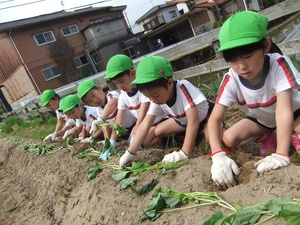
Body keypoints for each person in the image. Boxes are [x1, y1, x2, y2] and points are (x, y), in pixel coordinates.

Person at [207, 11, 300, 188]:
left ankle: (287, 138)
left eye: (247, 56)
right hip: (263, 121)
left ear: (265, 46)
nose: (241, 66)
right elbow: (215, 119)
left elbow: (283, 111)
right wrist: (218, 155)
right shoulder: (231, 79)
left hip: (293, 114)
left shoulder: (278, 65)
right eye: (233, 60)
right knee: (229, 137)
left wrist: (281, 155)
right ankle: (271, 135)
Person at [119, 55, 215, 168]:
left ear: (169, 83)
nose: (152, 100)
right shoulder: (157, 100)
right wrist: (130, 152)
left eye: (155, 95)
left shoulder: (183, 88)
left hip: (205, 118)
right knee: (153, 135)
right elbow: (146, 123)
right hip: (183, 123)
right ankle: (189, 136)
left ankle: (196, 136)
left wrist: (184, 153)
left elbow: (193, 120)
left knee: (212, 138)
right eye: (148, 97)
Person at [104, 54, 160, 146]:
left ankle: (170, 139)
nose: (120, 86)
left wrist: (136, 132)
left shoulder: (143, 90)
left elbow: (142, 115)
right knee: (133, 141)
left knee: (142, 141)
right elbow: (118, 121)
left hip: (157, 120)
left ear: (133, 73)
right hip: (144, 124)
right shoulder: (123, 95)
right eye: (116, 84)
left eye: (122, 81)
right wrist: (112, 142)